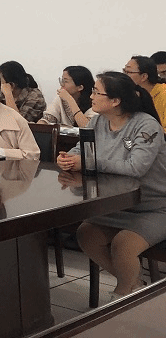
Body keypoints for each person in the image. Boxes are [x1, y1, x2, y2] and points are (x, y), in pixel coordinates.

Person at [59, 71, 166, 297]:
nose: (91, 96)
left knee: (123, 245)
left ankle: (123, 295)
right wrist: (68, 158)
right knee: (86, 234)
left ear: (115, 100)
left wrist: (89, 162)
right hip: (117, 206)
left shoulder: (146, 125)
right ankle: (135, 288)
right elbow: (80, 149)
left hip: (154, 207)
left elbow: (136, 167)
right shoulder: (98, 121)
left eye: (97, 92)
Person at [124, 55, 166, 124]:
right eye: (124, 71)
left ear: (144, 76)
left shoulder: (163, 94)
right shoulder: (132, 95)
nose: (124, 76)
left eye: (129, 72)